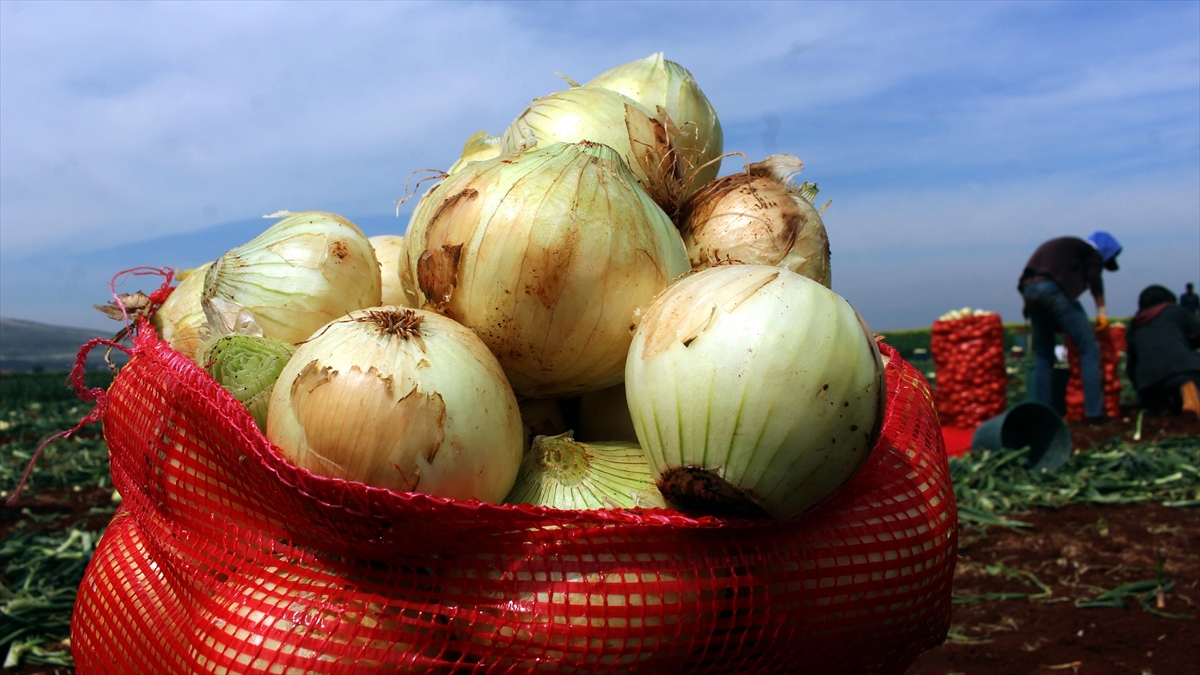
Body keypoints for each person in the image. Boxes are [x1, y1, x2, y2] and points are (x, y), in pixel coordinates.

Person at [1018, 231, 1121, 424]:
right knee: (1089, 350)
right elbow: (1094, 278)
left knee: (1043, 355)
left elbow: (1031, 274)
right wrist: (1102, 312)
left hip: (1029, 289)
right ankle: (1095, 414)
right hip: (1051, 288)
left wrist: (1038, 311)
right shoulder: (1092, 252)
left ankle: (1043, 414)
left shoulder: (1064, 247)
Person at [1126, 285, 1200, 418]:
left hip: (1149, 383)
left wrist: (1140, 391)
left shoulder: (1135, 324)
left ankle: (1162, 408)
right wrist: (1187, 347)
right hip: (1184, 371)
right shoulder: (1177, 311)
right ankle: (1189, 393)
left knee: (1160, 404)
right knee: (1186, 378)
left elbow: (1131, 366)